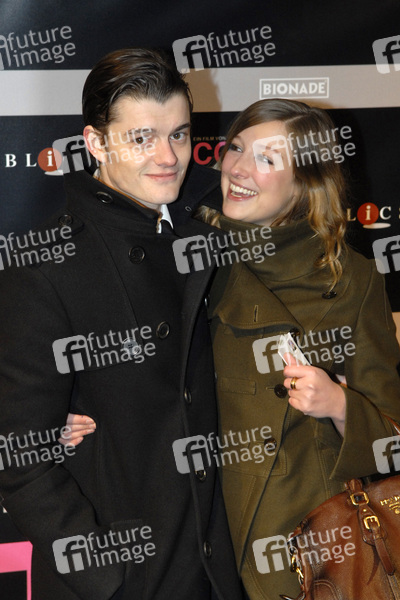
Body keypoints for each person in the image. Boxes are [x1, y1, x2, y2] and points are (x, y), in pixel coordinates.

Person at [66, 98, 400, 600]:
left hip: (305, 544)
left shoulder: (352, 279)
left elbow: (390, 438)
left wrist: (338, 404)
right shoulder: (187, 254)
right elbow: (126, 361)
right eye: (237, 148)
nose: (239, 168)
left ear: (305, 180)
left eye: (267, 158)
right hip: (192, 530)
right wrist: (73, 409)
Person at [0, 48, 244, 600]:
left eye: (179, 134)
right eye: (141, 138)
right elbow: (21, 458)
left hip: (211, 572)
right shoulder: (45, 264)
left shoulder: (204, 241)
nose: (167, 156)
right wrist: (107, 579)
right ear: (95, 143)